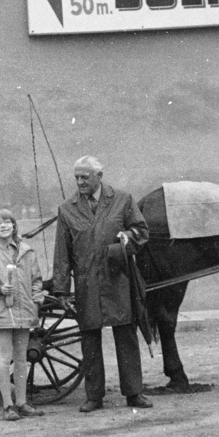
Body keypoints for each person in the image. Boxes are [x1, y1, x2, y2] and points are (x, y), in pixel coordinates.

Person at [52, 156, 152, 412]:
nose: (79, 182)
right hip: (87, 283)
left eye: (85, 177)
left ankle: (134, 393)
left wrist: (128, 236)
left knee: (126, 335)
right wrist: (62, 290)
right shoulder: (67, 209)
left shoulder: (122, 199)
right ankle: (94, 396)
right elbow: (62, 253)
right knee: (90, 339)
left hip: (118, 279)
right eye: (76, 177)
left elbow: (142, 231)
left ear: (99, 175)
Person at [0, 208, 45, 421]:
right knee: (4, 358)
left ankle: (22, 402)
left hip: (24, 311)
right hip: (3, 312)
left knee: (21, 358)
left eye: (7, 222)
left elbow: (37, 281)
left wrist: (36, 300)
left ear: (14, 226)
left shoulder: (26, 251)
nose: (3, 226)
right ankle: (8, 405)